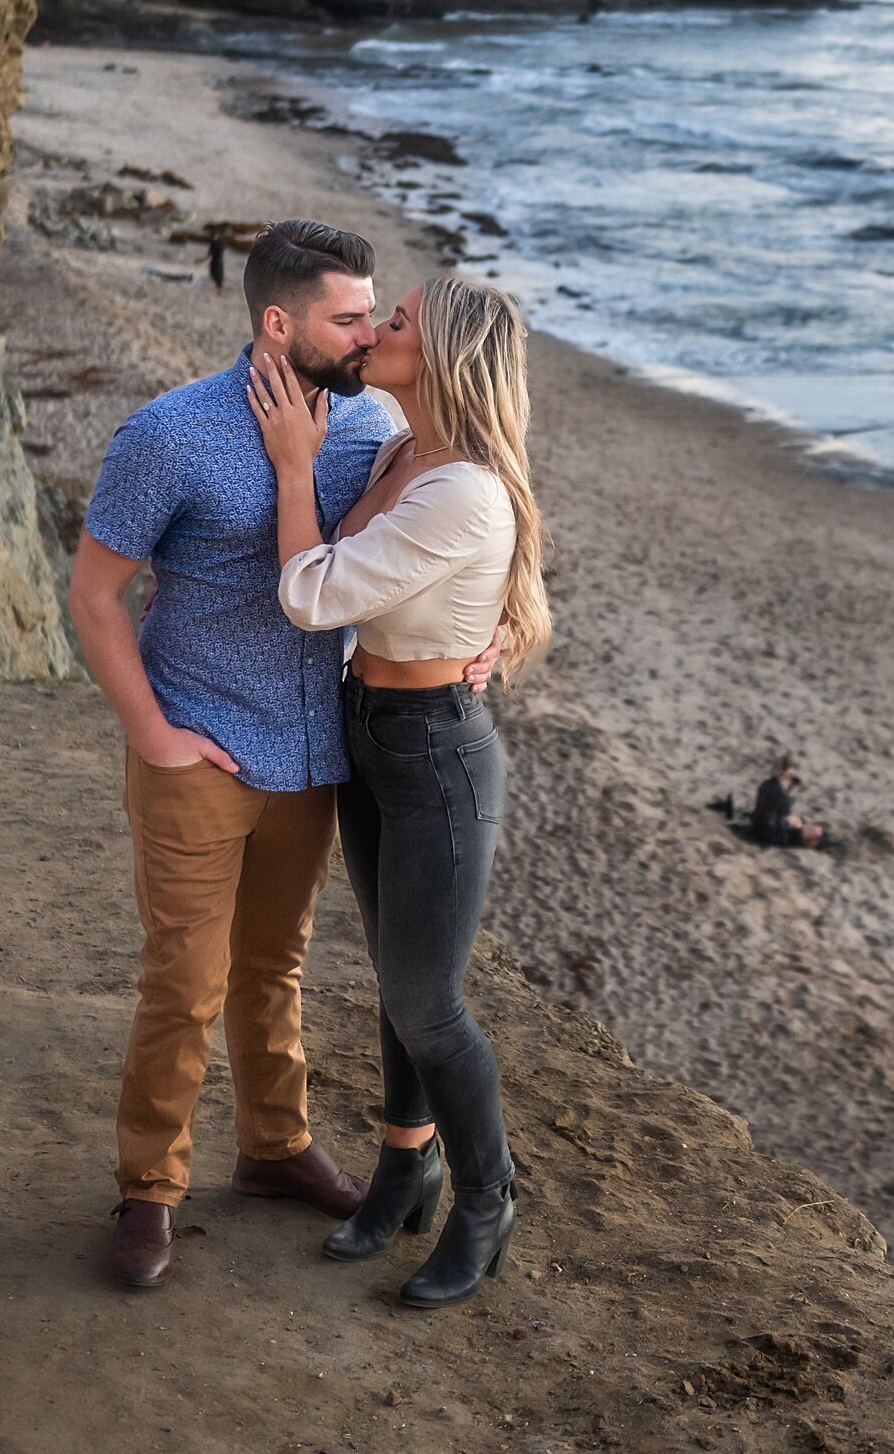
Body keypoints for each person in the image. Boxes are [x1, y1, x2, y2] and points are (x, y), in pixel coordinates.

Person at [69, 220, 500, 1288]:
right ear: (278, 322)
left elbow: (476, 520)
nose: (367, 333)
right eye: (350, 316)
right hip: (199, 752)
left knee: (276, 970)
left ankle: (273, 1148)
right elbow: (93, 593)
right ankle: (150, 1189)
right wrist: (153, 735)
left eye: (376, 317)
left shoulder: (374, 432)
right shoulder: (169, 435)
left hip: (318, 753)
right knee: (186, 980)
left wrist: (489, 629)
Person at [248, 273, 551, 1308]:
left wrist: (294, 466)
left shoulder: (459, 487)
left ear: (445, 354)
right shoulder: (399, 445)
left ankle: (486, 1200)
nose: (376, 331)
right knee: (394, 978)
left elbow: (311, 592)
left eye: (398, 322)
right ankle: (402, 1167)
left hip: (434, 754)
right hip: (370, 730)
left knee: (428, 998)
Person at [750, 759, 827, 849]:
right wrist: (791, 793)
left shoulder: (765, 784)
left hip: (758, 826)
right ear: (783, 772)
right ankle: (805, 842)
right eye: (788, 771)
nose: (790, 773)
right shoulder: (779, 792)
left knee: (796, 819)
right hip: (773, 834)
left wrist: (791, 788)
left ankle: (802, 838)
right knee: (818, 832)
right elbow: (785, 811)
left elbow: (779, 802)